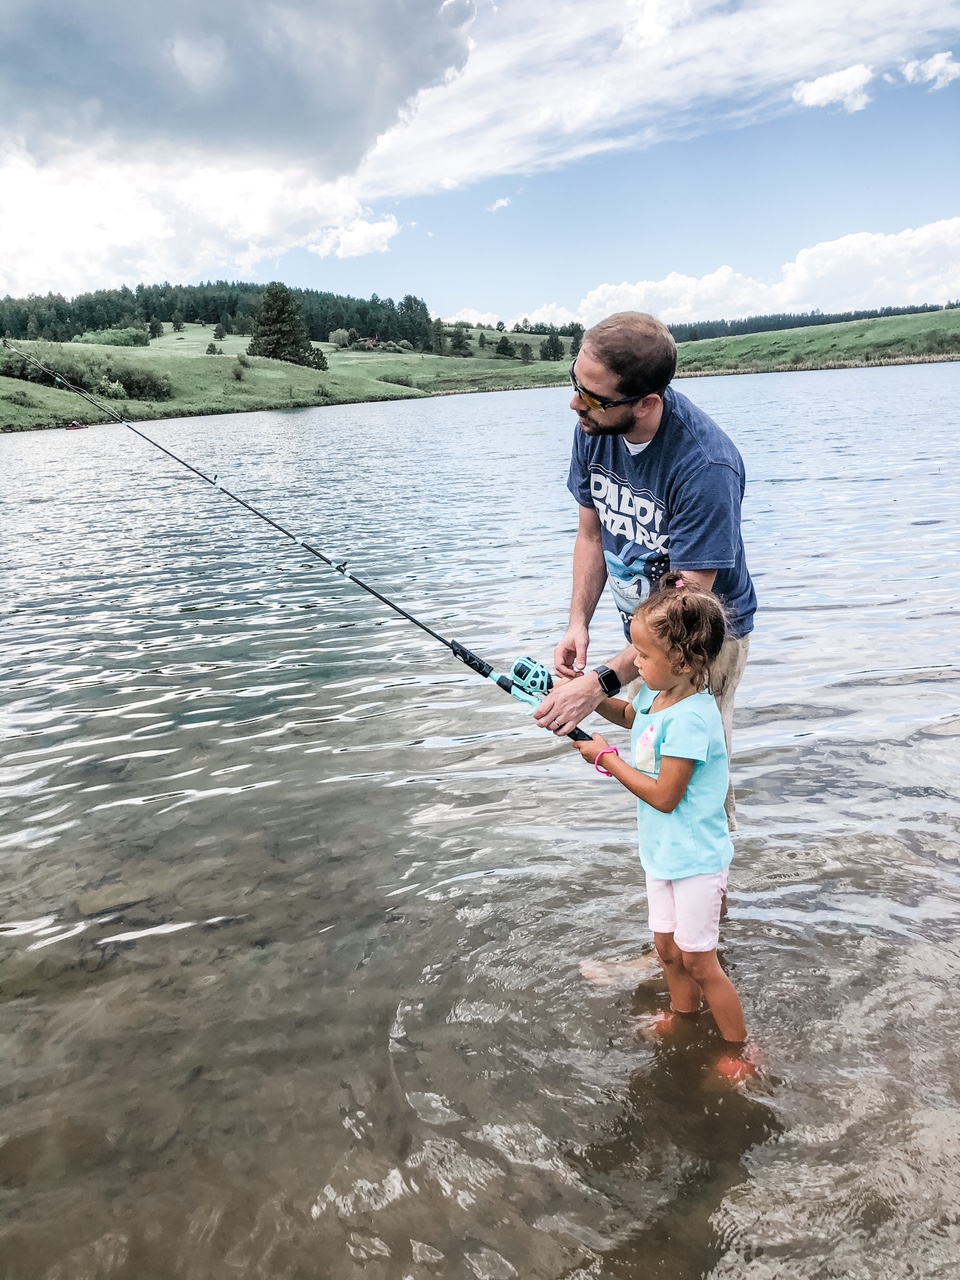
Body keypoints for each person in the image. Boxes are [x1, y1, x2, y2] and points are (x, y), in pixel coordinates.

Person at [534, 311, 756, 826]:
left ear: (647, 402)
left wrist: (599, 683)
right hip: (642, 630)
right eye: (575, 382)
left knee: (691, 775)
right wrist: (578, 624)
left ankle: (711, 893)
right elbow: (591, 534)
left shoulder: (706, 467)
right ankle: (670, 884)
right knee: (648, 747)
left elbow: (687, 608)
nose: (575, 404)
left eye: (591, 396)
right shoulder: (594, 426)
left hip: (701, 633)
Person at [574, 573, 754, 1082]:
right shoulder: (660, 698)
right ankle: (683, 1016)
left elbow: (665, 795)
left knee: (700, 960)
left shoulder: (695, 719)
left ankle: (740, 1048)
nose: (634, 663)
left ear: (685, 661)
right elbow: (632, 715)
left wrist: (605, 759)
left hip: (695, 858)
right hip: (664, 855)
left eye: (643, 656)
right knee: (667, 949)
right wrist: (579, 695)